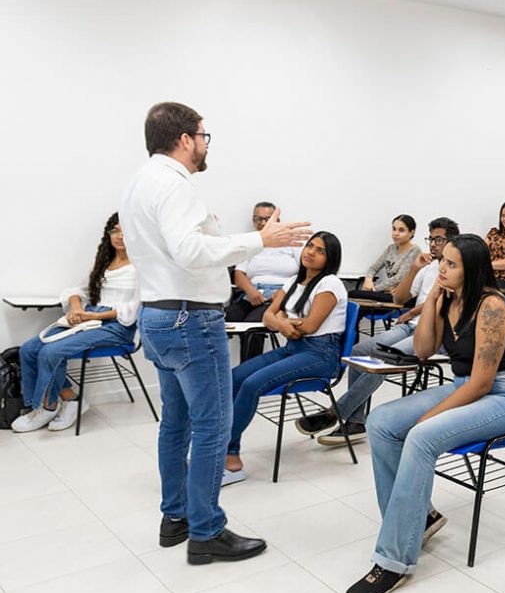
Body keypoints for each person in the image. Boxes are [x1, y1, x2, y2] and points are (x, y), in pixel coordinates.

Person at [120, 102, 309, 564]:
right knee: (213, 426)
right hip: (191, 319)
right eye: (204, 136)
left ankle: (176, 518)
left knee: (177, 423)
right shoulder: (176, 184)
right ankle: (206, 531)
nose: (206, 144)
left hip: (160, 315)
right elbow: (188, 250)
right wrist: (260, 240)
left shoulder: (139, 183)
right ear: (185, 139)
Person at [346, 235, 505, 593]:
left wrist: (428, 419)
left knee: (422, 436)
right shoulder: (448, 298)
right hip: (467, 386)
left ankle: (394, 559)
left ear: (473, 269)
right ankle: (420, 519)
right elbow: (422, 350)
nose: (441, 269)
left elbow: (483, 383)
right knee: (382, 422)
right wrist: (432, 299)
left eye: (451, 264)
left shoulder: (492, 306)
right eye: (441, 262)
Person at [295, 218, 460, 445]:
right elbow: (400, 298)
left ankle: (337, 412)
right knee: (359, 350)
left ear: (453, 241)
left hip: (434, 332)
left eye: (438, 239)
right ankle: (356, 422)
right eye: (430, 239)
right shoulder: (428, 267)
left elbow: (445, 303)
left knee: (385, 356)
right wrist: (414, 269)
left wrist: (413, 313)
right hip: (411, 326)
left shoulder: (458, 269)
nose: (432, 244)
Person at [224, 232, 347, 485]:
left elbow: (310, 326)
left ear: (330, 258)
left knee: (251, 384)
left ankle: (227, 455)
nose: (311, 252)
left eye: (320, 250)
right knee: (235, 377)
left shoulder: (330, 284)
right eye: (310, 246)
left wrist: (278, 321)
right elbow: (267, 315)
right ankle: (228, 449)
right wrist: (282, 324)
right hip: (294, 347)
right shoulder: (293, 280)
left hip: (320, 354)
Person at [14, 213, 140, 433]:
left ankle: (47, 406)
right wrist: (77, 308)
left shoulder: (141, 268)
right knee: (29, 349)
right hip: (88, 319)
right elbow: (76, 291)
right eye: (115, 231)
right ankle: (71, 399)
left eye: (126, 231)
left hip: (117, 327)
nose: (120, 236)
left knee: (51, 352)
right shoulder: (104, 264)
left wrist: (94, 316)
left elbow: (133, 310)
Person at [225, 201, 301, 361]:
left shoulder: (292, 242)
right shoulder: (250, 243)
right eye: (257, 219)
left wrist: (282, 293)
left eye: (267, 219)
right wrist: (250, 291)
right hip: (252, 294)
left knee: (252, 327)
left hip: (280, 296)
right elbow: (239, 274)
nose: (262, 223)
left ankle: (246, 375)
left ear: (277, 221)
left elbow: (305, 274)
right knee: (220, 318)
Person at [350, 215, 420, 300]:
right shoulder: (391, 248)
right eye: (394, 229)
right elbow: (373, 268)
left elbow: (399, 278)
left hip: (402, 296)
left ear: (411, 233)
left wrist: (374, 289)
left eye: (401, 230)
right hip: (389, 292)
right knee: (354, 295)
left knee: (354, 294)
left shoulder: (414, 251)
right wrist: (368, 279)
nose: (396, 233)